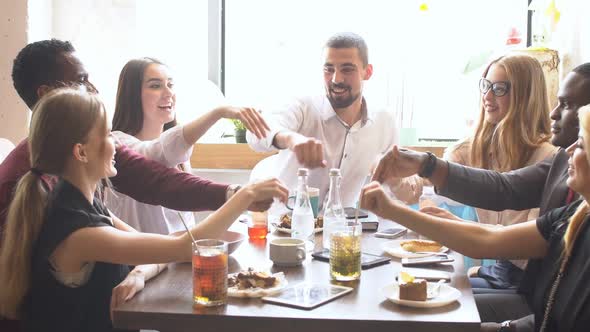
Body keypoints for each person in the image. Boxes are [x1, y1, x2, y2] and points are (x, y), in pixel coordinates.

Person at [0, 38, 271, 331]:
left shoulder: (83, 203)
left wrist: (141, 271)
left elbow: (165, 249)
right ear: (81, 151)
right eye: (107, 136)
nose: (116, 143)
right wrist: (246, 194)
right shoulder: (77, 230)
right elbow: (181, 246)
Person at [371, 63, 590, 330]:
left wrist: (398, 210)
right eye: (486, 86)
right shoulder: (568, 195)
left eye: (566, 105)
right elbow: (503, 191)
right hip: (530, 301)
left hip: (526, 294)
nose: (554, 113)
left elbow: (497, 242)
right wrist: (425, 165)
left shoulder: (560, 174)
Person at [391, 54, 557, 292]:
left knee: (436, 300)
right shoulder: (474, 148)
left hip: (526, 280)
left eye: (499, 89)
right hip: (498, 269)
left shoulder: (548, 159)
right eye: (485, 86)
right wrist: (393, 175)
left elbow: (528, 250)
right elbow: (415, 192)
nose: (487, 96)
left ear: (525, 96)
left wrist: (460, 227)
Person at [107, 57, 269, 235]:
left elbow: (186, 216)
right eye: (155, 85)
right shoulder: (117, 144)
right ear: (132, 95)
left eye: (170, 84)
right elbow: (155, 154)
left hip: (178, 255)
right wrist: (218, 112)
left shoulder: (179, 153)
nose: (168, 93)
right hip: (142, 260)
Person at [247, 32, 398, 207]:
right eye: (329, 69)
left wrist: (404, 182)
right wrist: (291, 139)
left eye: (347, 69)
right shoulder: (303, 105)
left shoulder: (384, 121)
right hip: (285, 225)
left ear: (367, 72)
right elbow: (255, 134)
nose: (336, 79)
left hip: (342, 228)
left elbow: (394, 189)